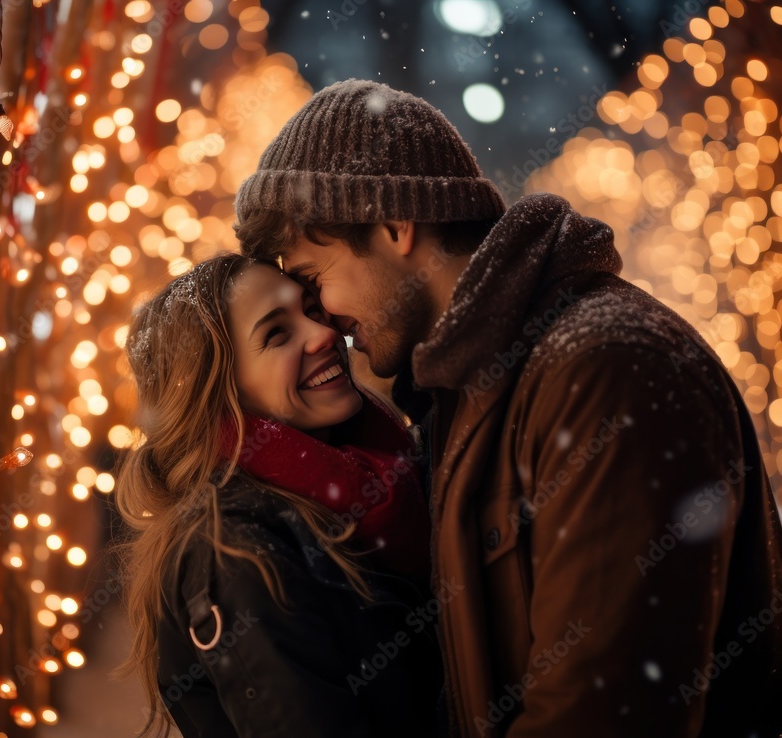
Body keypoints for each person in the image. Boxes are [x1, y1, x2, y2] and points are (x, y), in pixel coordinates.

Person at [234, 79, 782, 737]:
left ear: (395, 224)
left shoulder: (604, 371)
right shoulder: (467, 393)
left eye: (314, 280)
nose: (321, 321)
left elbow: (600, 718)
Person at [114, 253, 443, 738]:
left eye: (312, 310)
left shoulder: (373, 472)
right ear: (220, 388)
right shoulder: (232, 550)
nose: (323, 334)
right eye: (276, 334)